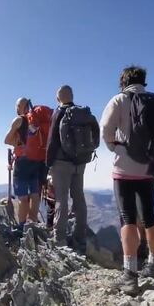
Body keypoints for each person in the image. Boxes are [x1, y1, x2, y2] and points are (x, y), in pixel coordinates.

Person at [101, 66, 154, 294]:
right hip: (149, 168)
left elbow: (106, 131)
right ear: (143, 81)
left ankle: (130, 276)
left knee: (127, 217)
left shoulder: (119, 100)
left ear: (124, 81)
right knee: (149, 215)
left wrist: (115, 146)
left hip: (124, 169)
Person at [46, 85, 99, 251]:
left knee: (61, 199)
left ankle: (59, 238)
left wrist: (48, 163)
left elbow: (52, 140)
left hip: (61, 162)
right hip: (80, 161)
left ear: (58, 98)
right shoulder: (82, 114)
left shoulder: (59, 112)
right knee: (79, 197)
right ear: (72, 96)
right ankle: (80, 237)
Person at [4, 97, 51, 228]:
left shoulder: (19, 120)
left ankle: (22, 226)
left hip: (23, 163)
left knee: (23, 198)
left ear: (19, 107)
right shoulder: (38, 121)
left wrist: (19, 145)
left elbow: (7, 140)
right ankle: (33, 223)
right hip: (38, 161)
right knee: (35, 195)